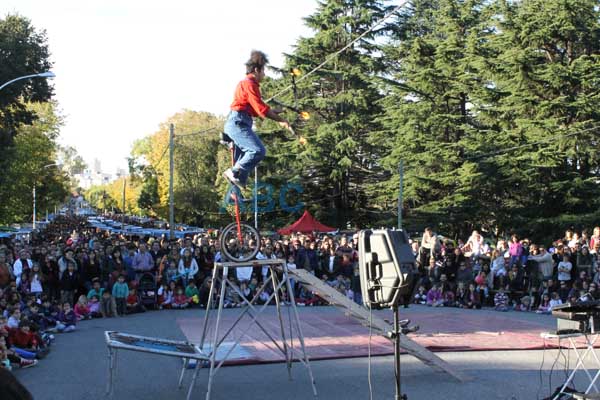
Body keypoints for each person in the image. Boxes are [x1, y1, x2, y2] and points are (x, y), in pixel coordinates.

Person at [222, 50, 292, 190]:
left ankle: (238, 180)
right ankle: (234, 172)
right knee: (257, 151)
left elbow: (255, 110)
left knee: (246, 160)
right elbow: (261, 110)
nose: (264, 75)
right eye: (263, 71)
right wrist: (280, 120)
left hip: (241, 121)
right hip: (238, 123)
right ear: (256, 70)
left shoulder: (248, 85)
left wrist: (274, 111)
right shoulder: (249, 84)